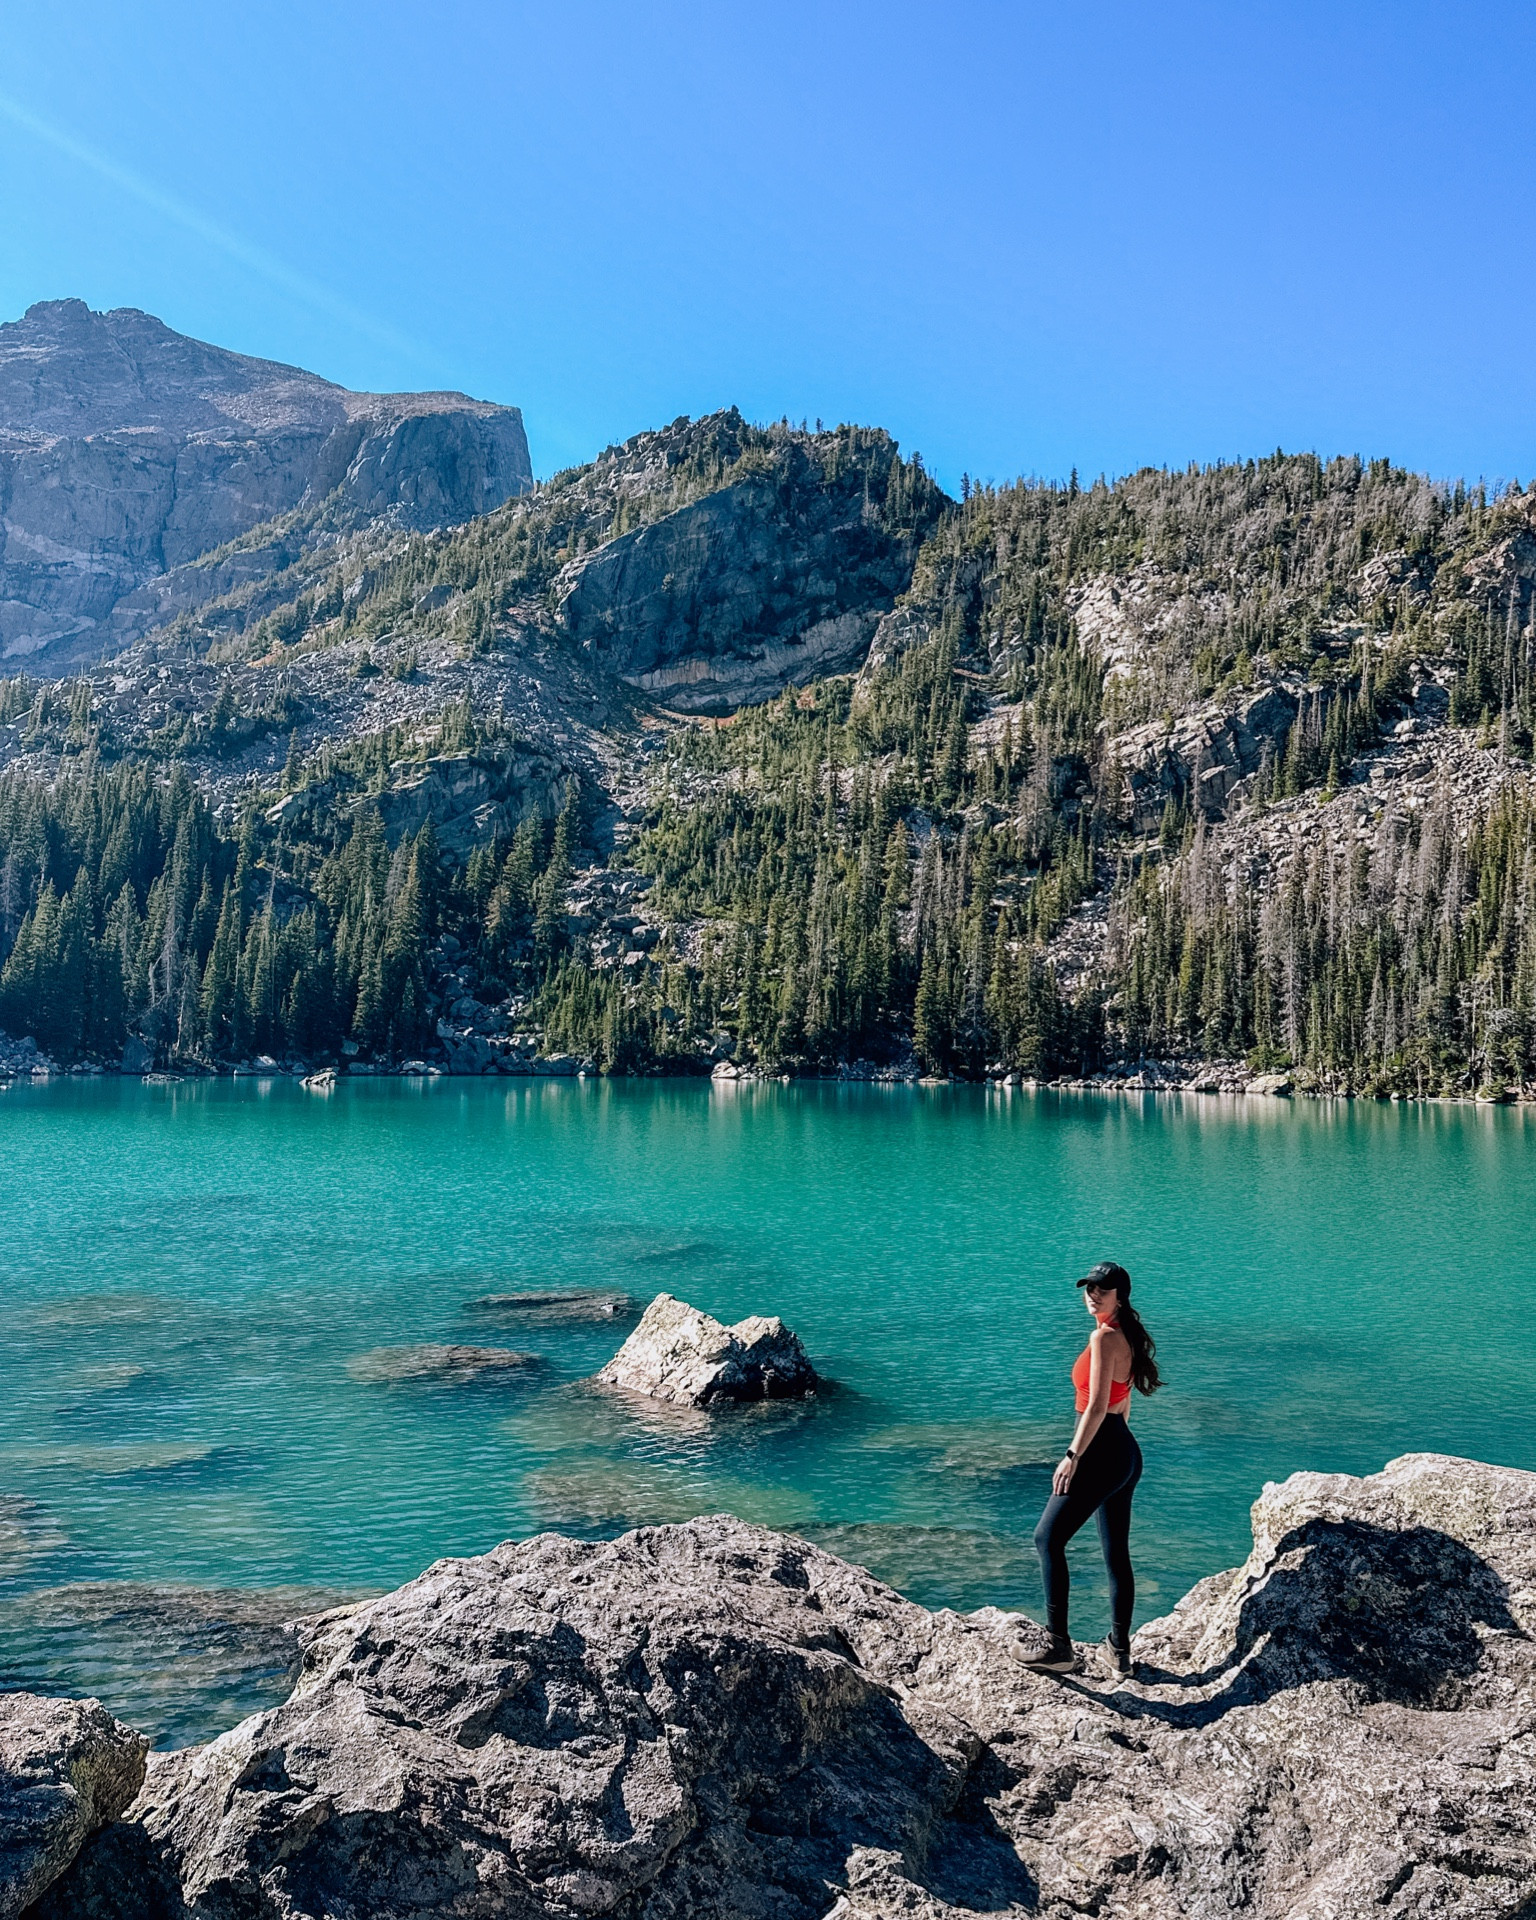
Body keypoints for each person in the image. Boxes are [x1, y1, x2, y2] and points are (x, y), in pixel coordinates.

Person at [1021, 1260, 1161, 1677]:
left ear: (1121, 1294)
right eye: (1088, 1288)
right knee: (1116, 1552)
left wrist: (1072, 1455)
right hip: (1125, 1451)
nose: (1092, 1294)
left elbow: (1098, 1405)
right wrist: (1119, 1453)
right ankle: (1118, 1652)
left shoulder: (1104, 1338)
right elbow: (1123, 1403)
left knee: (1046, 1538)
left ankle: (1057, 1646)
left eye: (1102, 1288)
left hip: (1102, 1450)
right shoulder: (1129, 1336)